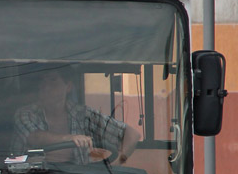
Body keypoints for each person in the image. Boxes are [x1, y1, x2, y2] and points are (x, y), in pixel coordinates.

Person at [9, 66, 140, 165]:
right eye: (42, 82)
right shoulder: (25, 113)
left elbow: (132, 135)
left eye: (53, 80)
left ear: (68, 87)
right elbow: (35, 138)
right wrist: (70, 138)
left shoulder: (83, 115)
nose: (45, 86)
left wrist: (118, 163)